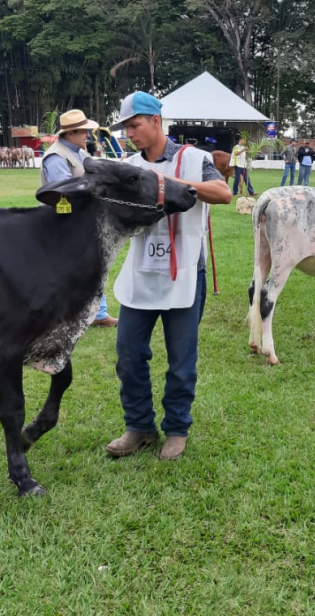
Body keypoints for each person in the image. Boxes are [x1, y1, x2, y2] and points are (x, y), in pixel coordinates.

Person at [106, 91, 231, 461]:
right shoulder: (127, 164)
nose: (130, 133)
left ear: (156, 121)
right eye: (126, 127)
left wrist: (170, 185)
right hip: (141, 272)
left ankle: (177, 429)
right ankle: (139, 426)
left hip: (186, 274)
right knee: (128, 354)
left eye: (135, 125)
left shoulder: (196, 158)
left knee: (180, 360)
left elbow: (223, 193)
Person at [40, 109, 118, 328]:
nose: (88, 135)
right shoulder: (57, 156)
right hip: (63, 221)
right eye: (84, 131)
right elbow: (66, 190)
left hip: (81, 219)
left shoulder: (79, 153)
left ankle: (98, 313)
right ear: (71, 133)